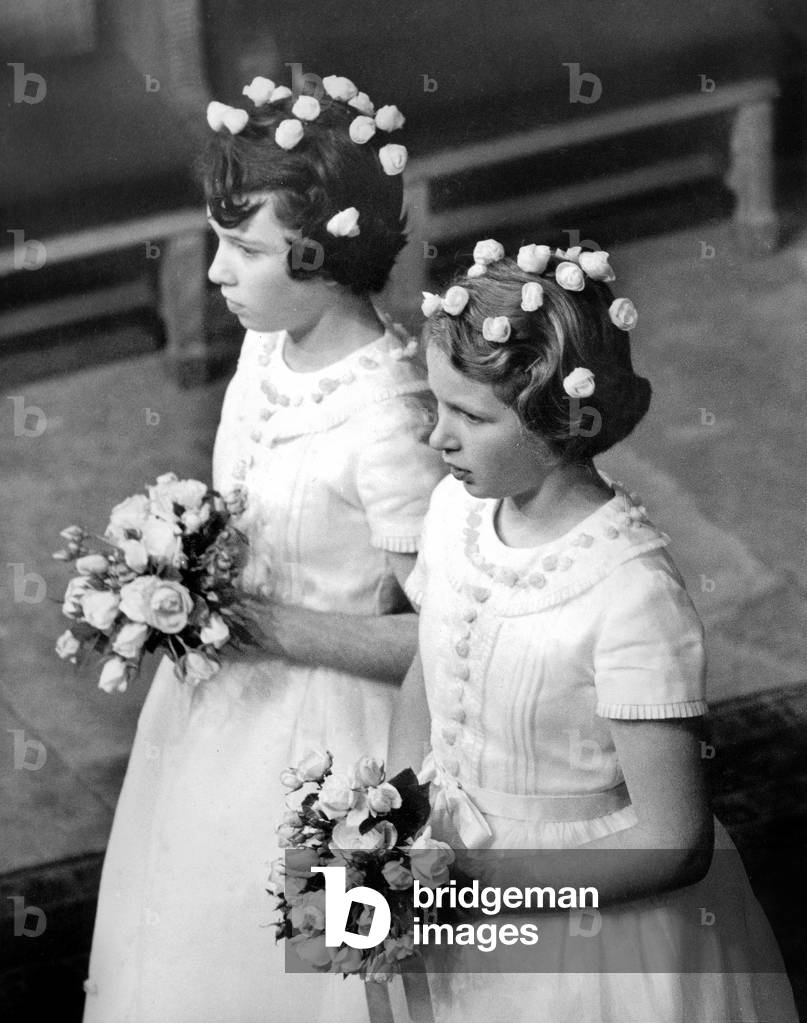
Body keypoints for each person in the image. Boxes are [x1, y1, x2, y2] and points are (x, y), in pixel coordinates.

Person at [83, 73, 445, 1023]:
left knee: (307, 970)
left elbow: (446, 641)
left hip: (332, 739)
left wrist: (258, 625)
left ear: (325, 254)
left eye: (244, 249)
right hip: (219, 704)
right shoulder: (266, 345)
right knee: (190, 925)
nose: (216, 273)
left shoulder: (390, 420)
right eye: (218, 242)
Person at [390, 242, 798, 1022]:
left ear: (563, 420)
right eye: (437, 405)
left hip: (585, 920)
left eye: (469, 416)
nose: (436, 438)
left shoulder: (631, 593)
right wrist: (391, 819)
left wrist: (482, 887)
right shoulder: (452, 510)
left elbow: (675, 839)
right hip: (445, 868)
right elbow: (426, 666)